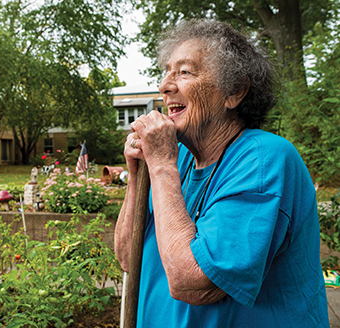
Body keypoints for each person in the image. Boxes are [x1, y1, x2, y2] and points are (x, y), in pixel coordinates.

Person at [114, 19, 329, 327]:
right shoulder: (179, 159)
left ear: (235, 91)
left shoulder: (263, 159)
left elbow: (192, 283)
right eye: (167, 72)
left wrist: (160, 166)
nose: (165, 86)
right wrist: (137, 175)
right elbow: (127, 258)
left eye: (185, 72)